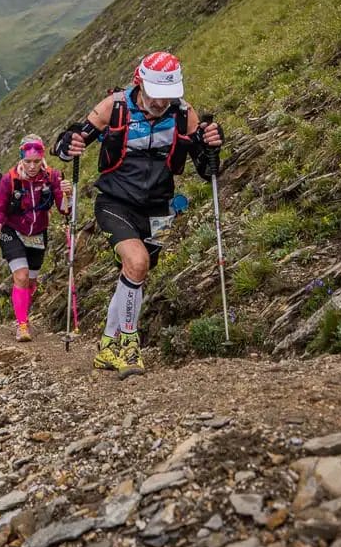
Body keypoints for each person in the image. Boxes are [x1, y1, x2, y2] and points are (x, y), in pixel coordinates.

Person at [52, 51, 223, 378]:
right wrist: (66, 144)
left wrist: (211, 144)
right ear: (139, 82)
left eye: (168, 96)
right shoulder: (114, 107)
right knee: (137, 262)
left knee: (135, 274)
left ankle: (106, 347)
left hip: (159, 207)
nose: (162, 103)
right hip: (116, 202)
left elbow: (205, 168)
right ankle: (129, 346)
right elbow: (71, 141)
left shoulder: (184, 113)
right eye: (156, 95)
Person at [0, 134, 71, 341]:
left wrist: (67, 195)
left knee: (31, 282)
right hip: (11, 231)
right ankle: (22, 325)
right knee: (21, 276)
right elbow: (0, 209)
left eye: (36, 161)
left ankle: (22, 310)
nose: (32, 166)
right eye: (28, 161)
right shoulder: (9, 179)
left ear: (42, 157)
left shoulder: (52, 176)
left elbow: (64, 210)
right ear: (21, 159)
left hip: (37, 233)